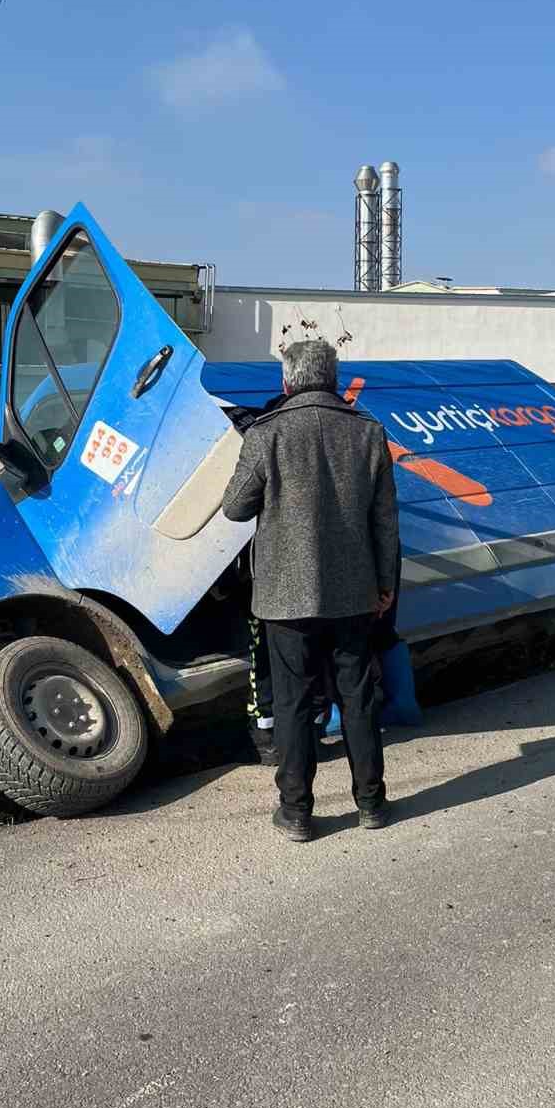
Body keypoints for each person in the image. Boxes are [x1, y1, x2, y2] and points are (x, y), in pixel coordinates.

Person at [222, 338, 399, 841]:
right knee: (359, 697)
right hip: (355, 592)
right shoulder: (368, 433)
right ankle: (372, 804)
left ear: (287, 381)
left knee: (294, 703)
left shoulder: (267, 433)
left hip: (285, 595)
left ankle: (297, 812)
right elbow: (387, 523)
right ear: (335, 378)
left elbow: (235, 507)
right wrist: (385, 584)